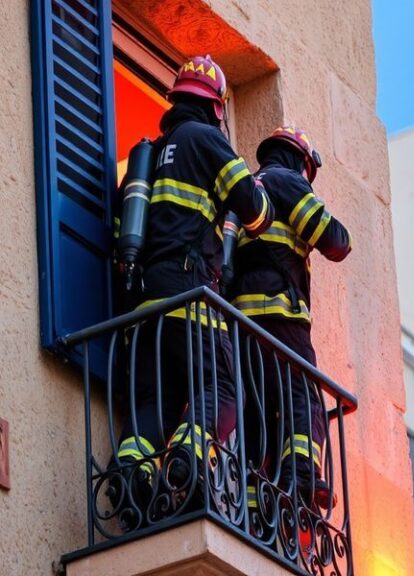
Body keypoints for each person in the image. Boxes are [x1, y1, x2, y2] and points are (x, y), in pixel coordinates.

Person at [113, 55, 273, 525]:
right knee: (222, 392)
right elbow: (256, 212)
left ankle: (132, 475)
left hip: (145, 307)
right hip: (190, 293)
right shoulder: (206, 139)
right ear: (216, 106)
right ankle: (186, 459)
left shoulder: (148, 156)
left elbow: (123, 230)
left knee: (153, 404)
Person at [229, 126, 351, 515]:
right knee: (305, 397)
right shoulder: (286, 181)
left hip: (242, 323)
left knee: (257, 414)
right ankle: (302, 478)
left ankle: (256, 509)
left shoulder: (247, 189)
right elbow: (336, 242)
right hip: (280, 314)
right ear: (301, 161)